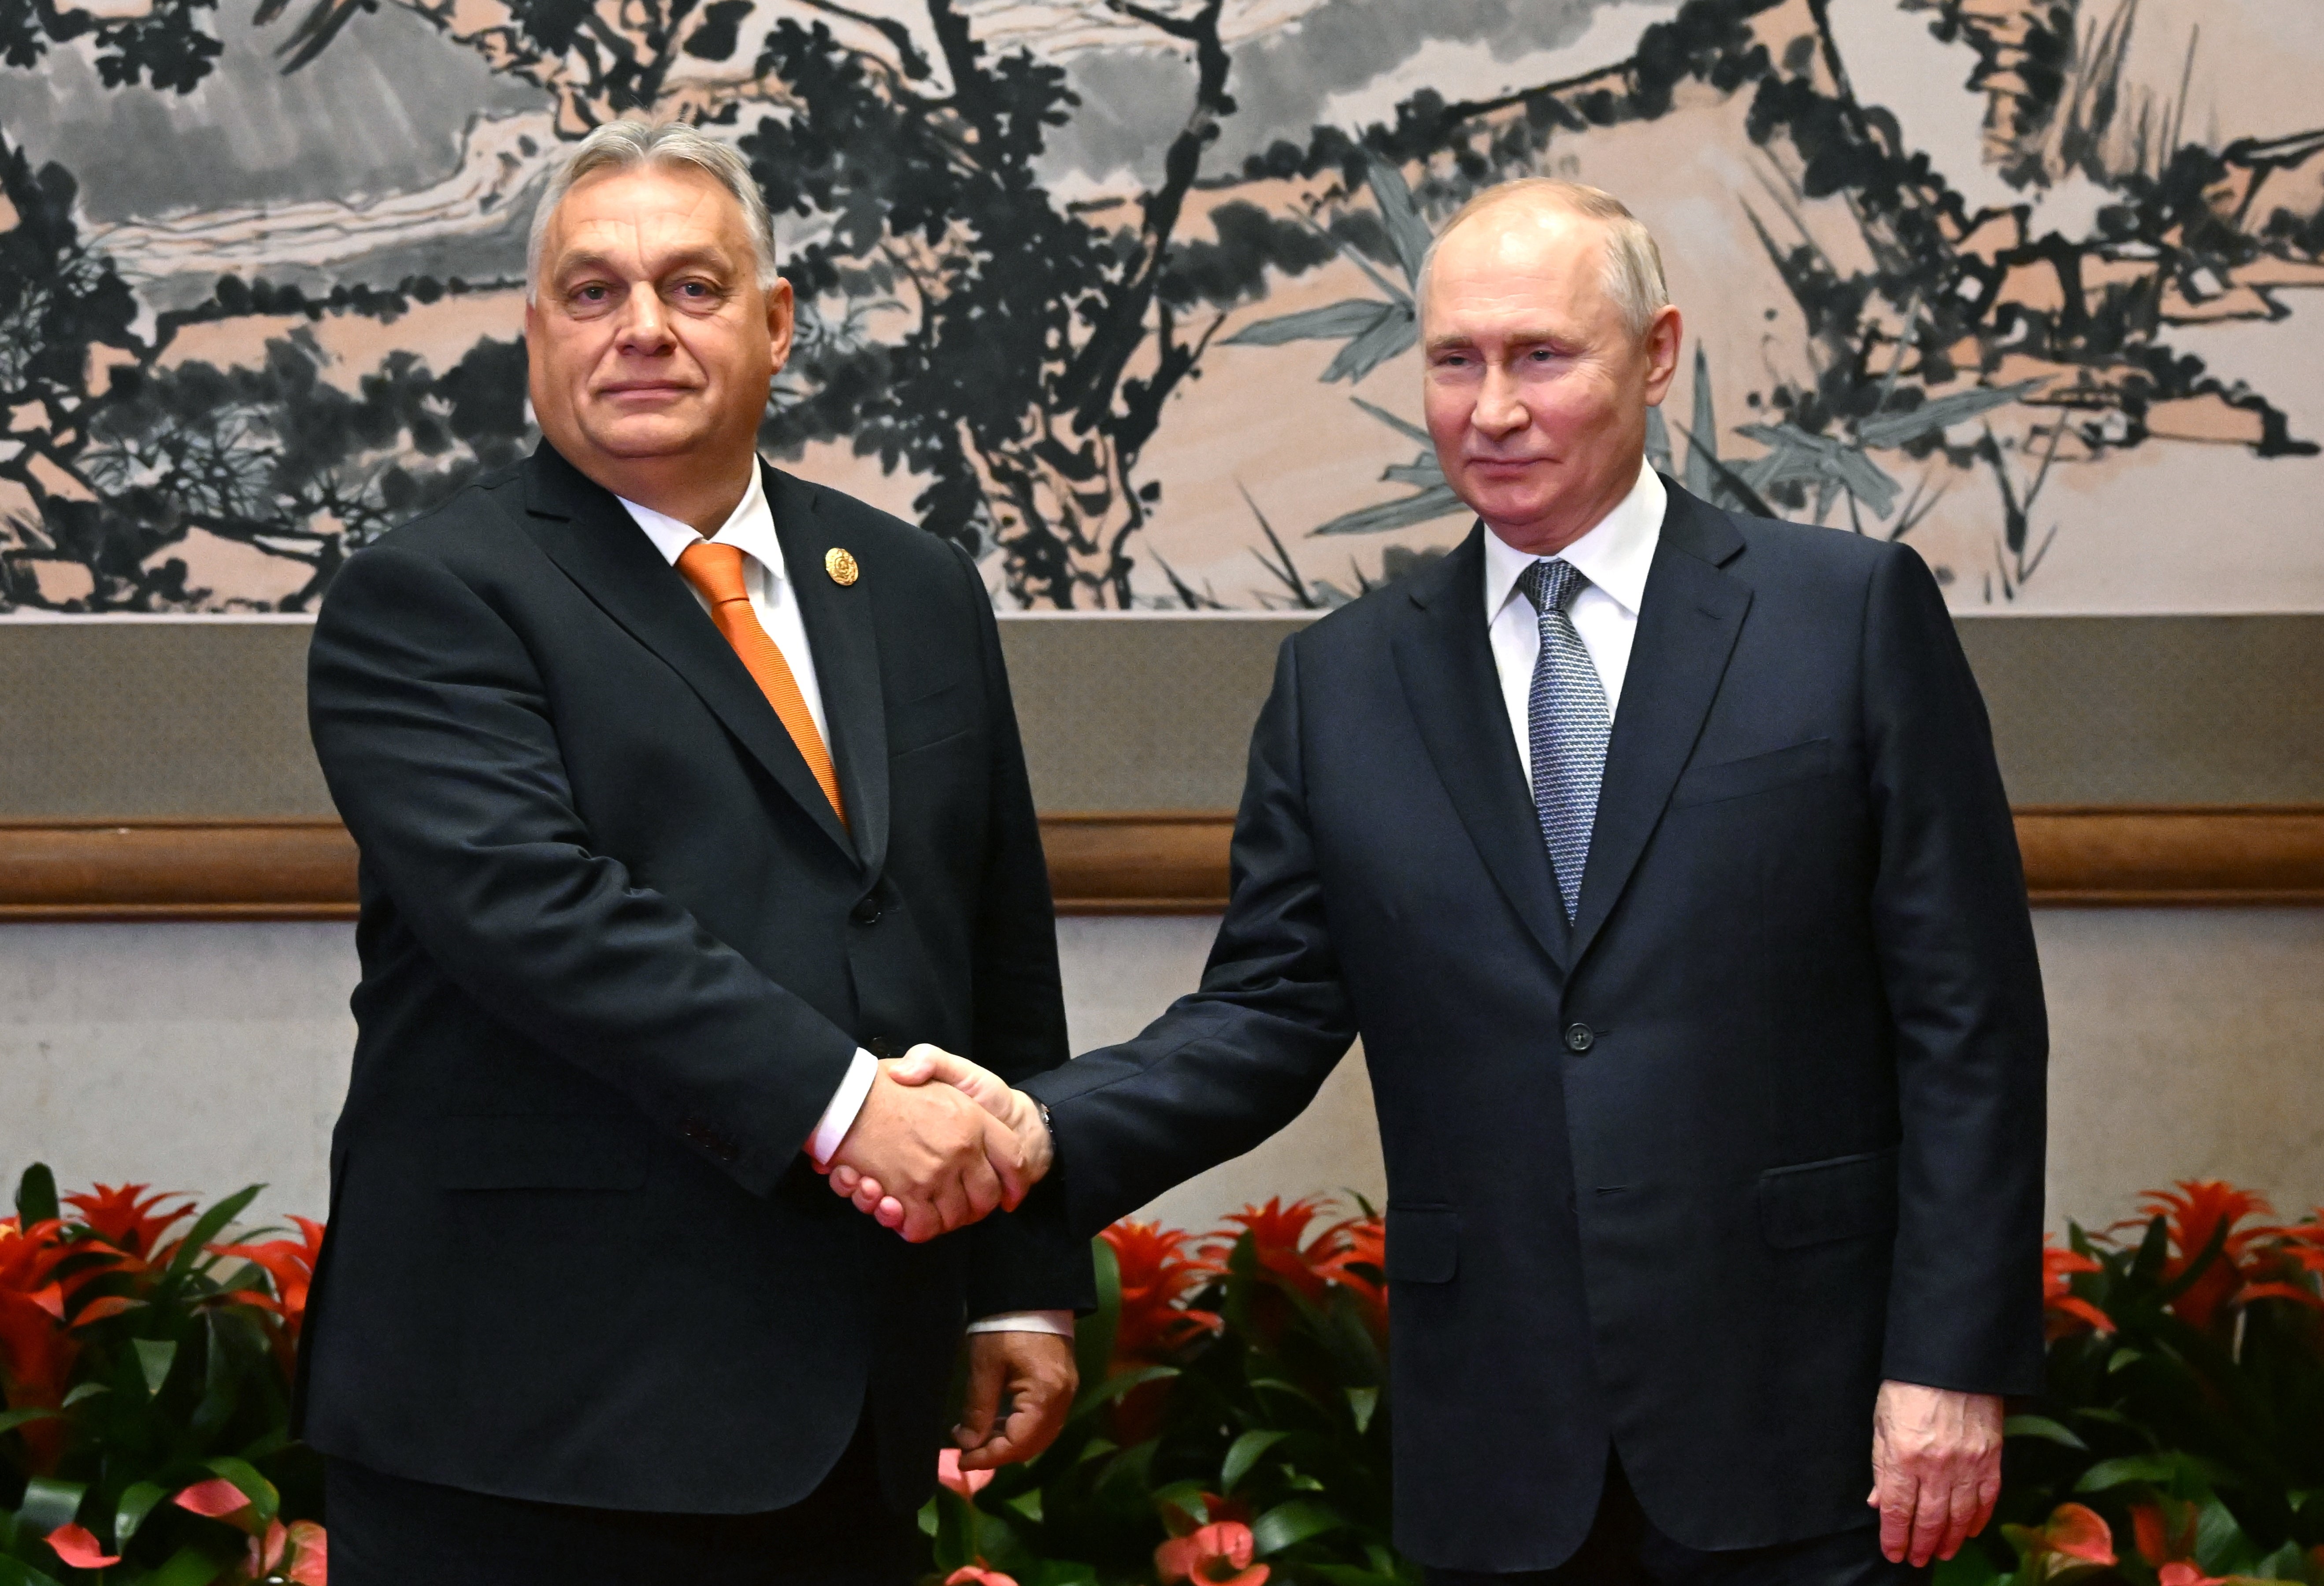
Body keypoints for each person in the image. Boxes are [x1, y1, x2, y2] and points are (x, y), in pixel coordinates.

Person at [836, 180, 2049, 1584]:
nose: (1491, 408)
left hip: (1805, 1414)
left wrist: (1950, 1365)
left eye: (1541, 356)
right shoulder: (1340, 681)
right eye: (1453, 361)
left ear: (1653, 354)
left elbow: (1968, 1020)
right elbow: (1267, 1016)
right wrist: (1039, 1126)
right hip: (1498, 1444)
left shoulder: (1842, 616)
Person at [302, 120, 1086, 1586]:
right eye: (590, 293)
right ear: (532, 332)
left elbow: (992, 943)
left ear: (777, 322)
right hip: (530, 1427)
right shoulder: (430, 597)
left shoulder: (915, 587)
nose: (641, 331)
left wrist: (1019, 1289)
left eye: (693, 286)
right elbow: (538, 917)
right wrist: (854, 1110)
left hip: (849, 1407)